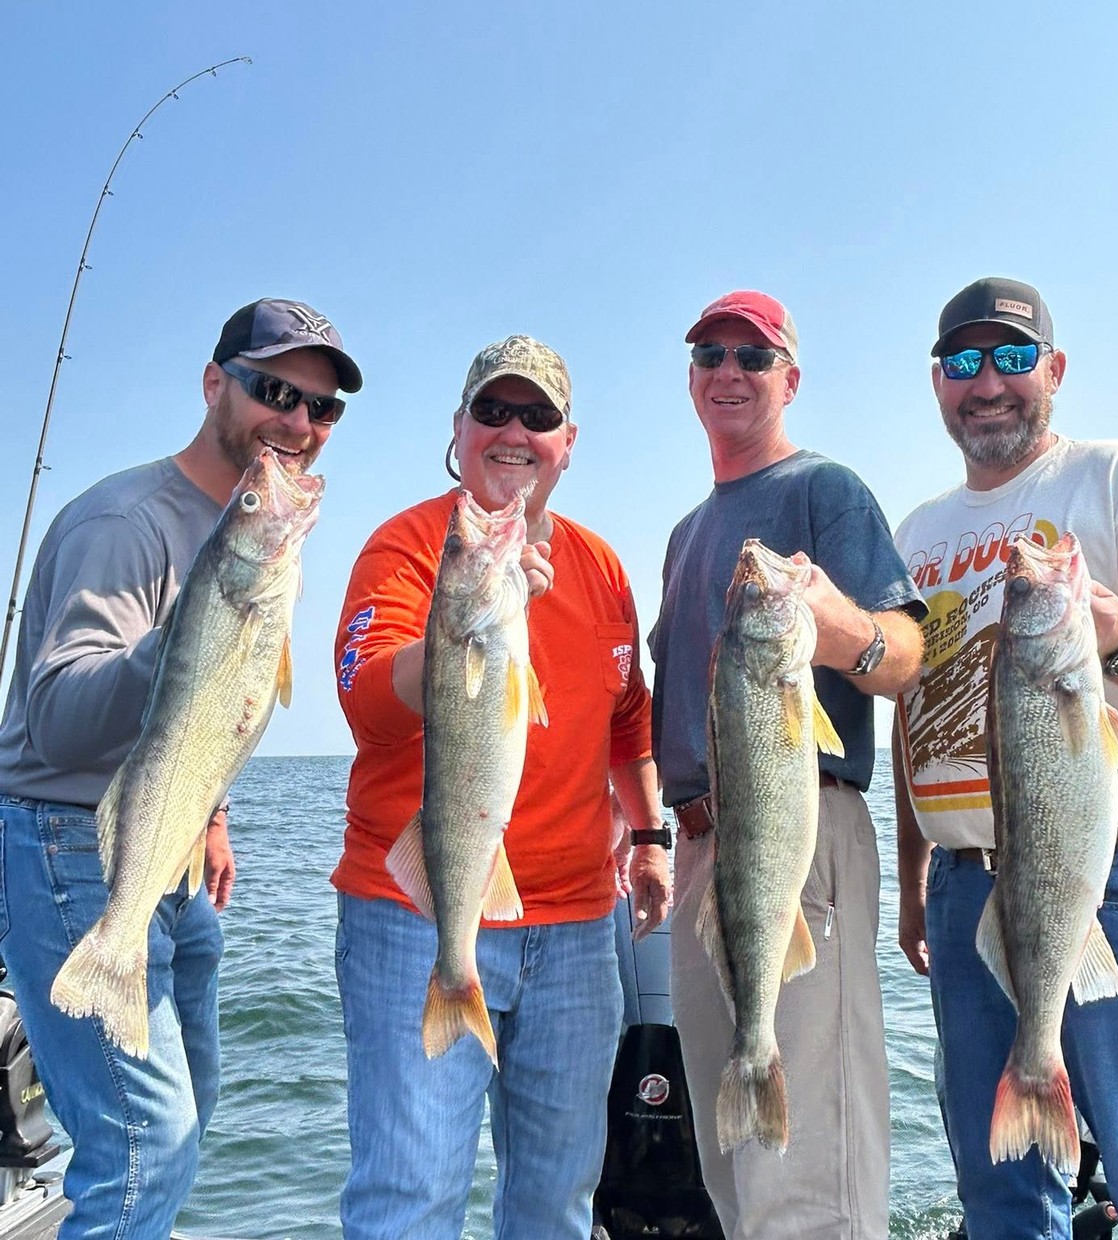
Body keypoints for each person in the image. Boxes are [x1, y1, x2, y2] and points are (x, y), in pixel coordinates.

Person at [0, 297, 360, 1238]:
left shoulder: (249, 533)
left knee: (190, 1115)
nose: (300, 424)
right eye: (277, 391)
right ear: (214, 385)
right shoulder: (124, 523)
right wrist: (183, 640)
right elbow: (57, 722)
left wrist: (213, 815)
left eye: (323, 410)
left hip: (173, 855)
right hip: (68, 842)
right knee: (142, 1146)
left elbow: (217, 717)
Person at [893, 275, 1118, 1239]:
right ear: (938, 385)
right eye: (963, 363)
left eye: (1011, 357)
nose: (987, 382)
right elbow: (912, 714)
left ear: (1054, 369)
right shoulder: (916, 536)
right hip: (968, 890)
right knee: (1000, 1195)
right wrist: (913, 875)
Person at [331, 334, 671, 1240]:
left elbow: (628, 717)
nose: (513, 430)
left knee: (557, 1203)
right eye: (493, 410)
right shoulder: (406, 549)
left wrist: (647, 836)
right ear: (459, 428)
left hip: (576, 932)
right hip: (419, 914)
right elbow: (367, 697)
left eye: (537, 416)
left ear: (567, 442)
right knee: (411, 1198)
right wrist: (466, 616)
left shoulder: (601, 568)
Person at [649, 290, 926, 1240]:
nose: (728, 371)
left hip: (799, 830)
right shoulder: (687, 536)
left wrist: (831, 624)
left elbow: (905, 657)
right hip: (699, 853)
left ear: (789, 380)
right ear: (691, 377)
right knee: (736, 1164)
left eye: (753, 358)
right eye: (710, 354)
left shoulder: (827, 491)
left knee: (808, 1176)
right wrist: (650, 834)